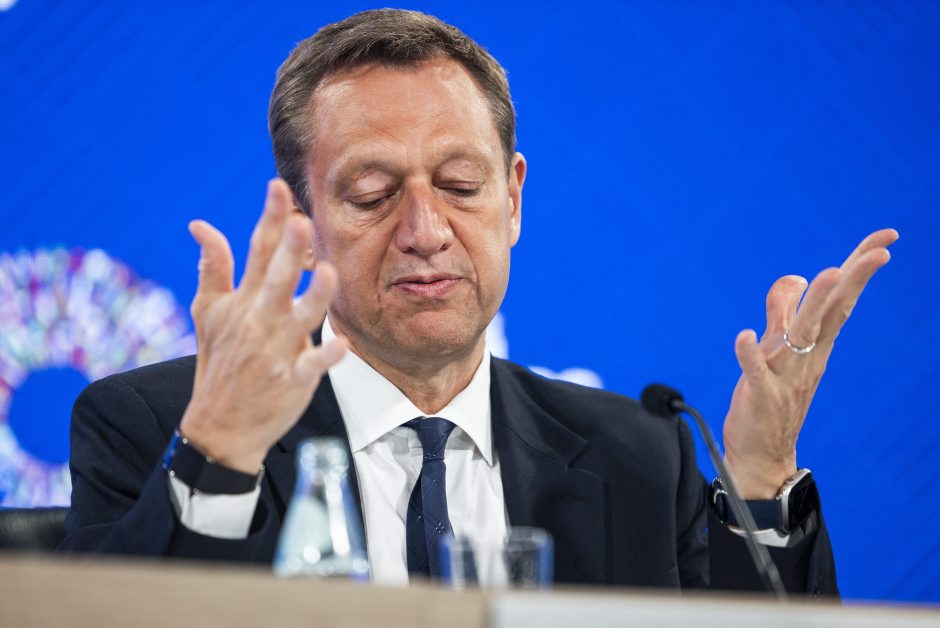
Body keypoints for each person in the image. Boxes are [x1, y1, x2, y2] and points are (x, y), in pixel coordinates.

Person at [60, 9, 896, 594]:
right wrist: (217, 456)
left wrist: (758, 482)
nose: (426, 231)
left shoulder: (641, 456)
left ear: (514, 200)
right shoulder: (151, 426)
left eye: (461, 185)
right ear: (302, 222)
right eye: (372, 194)